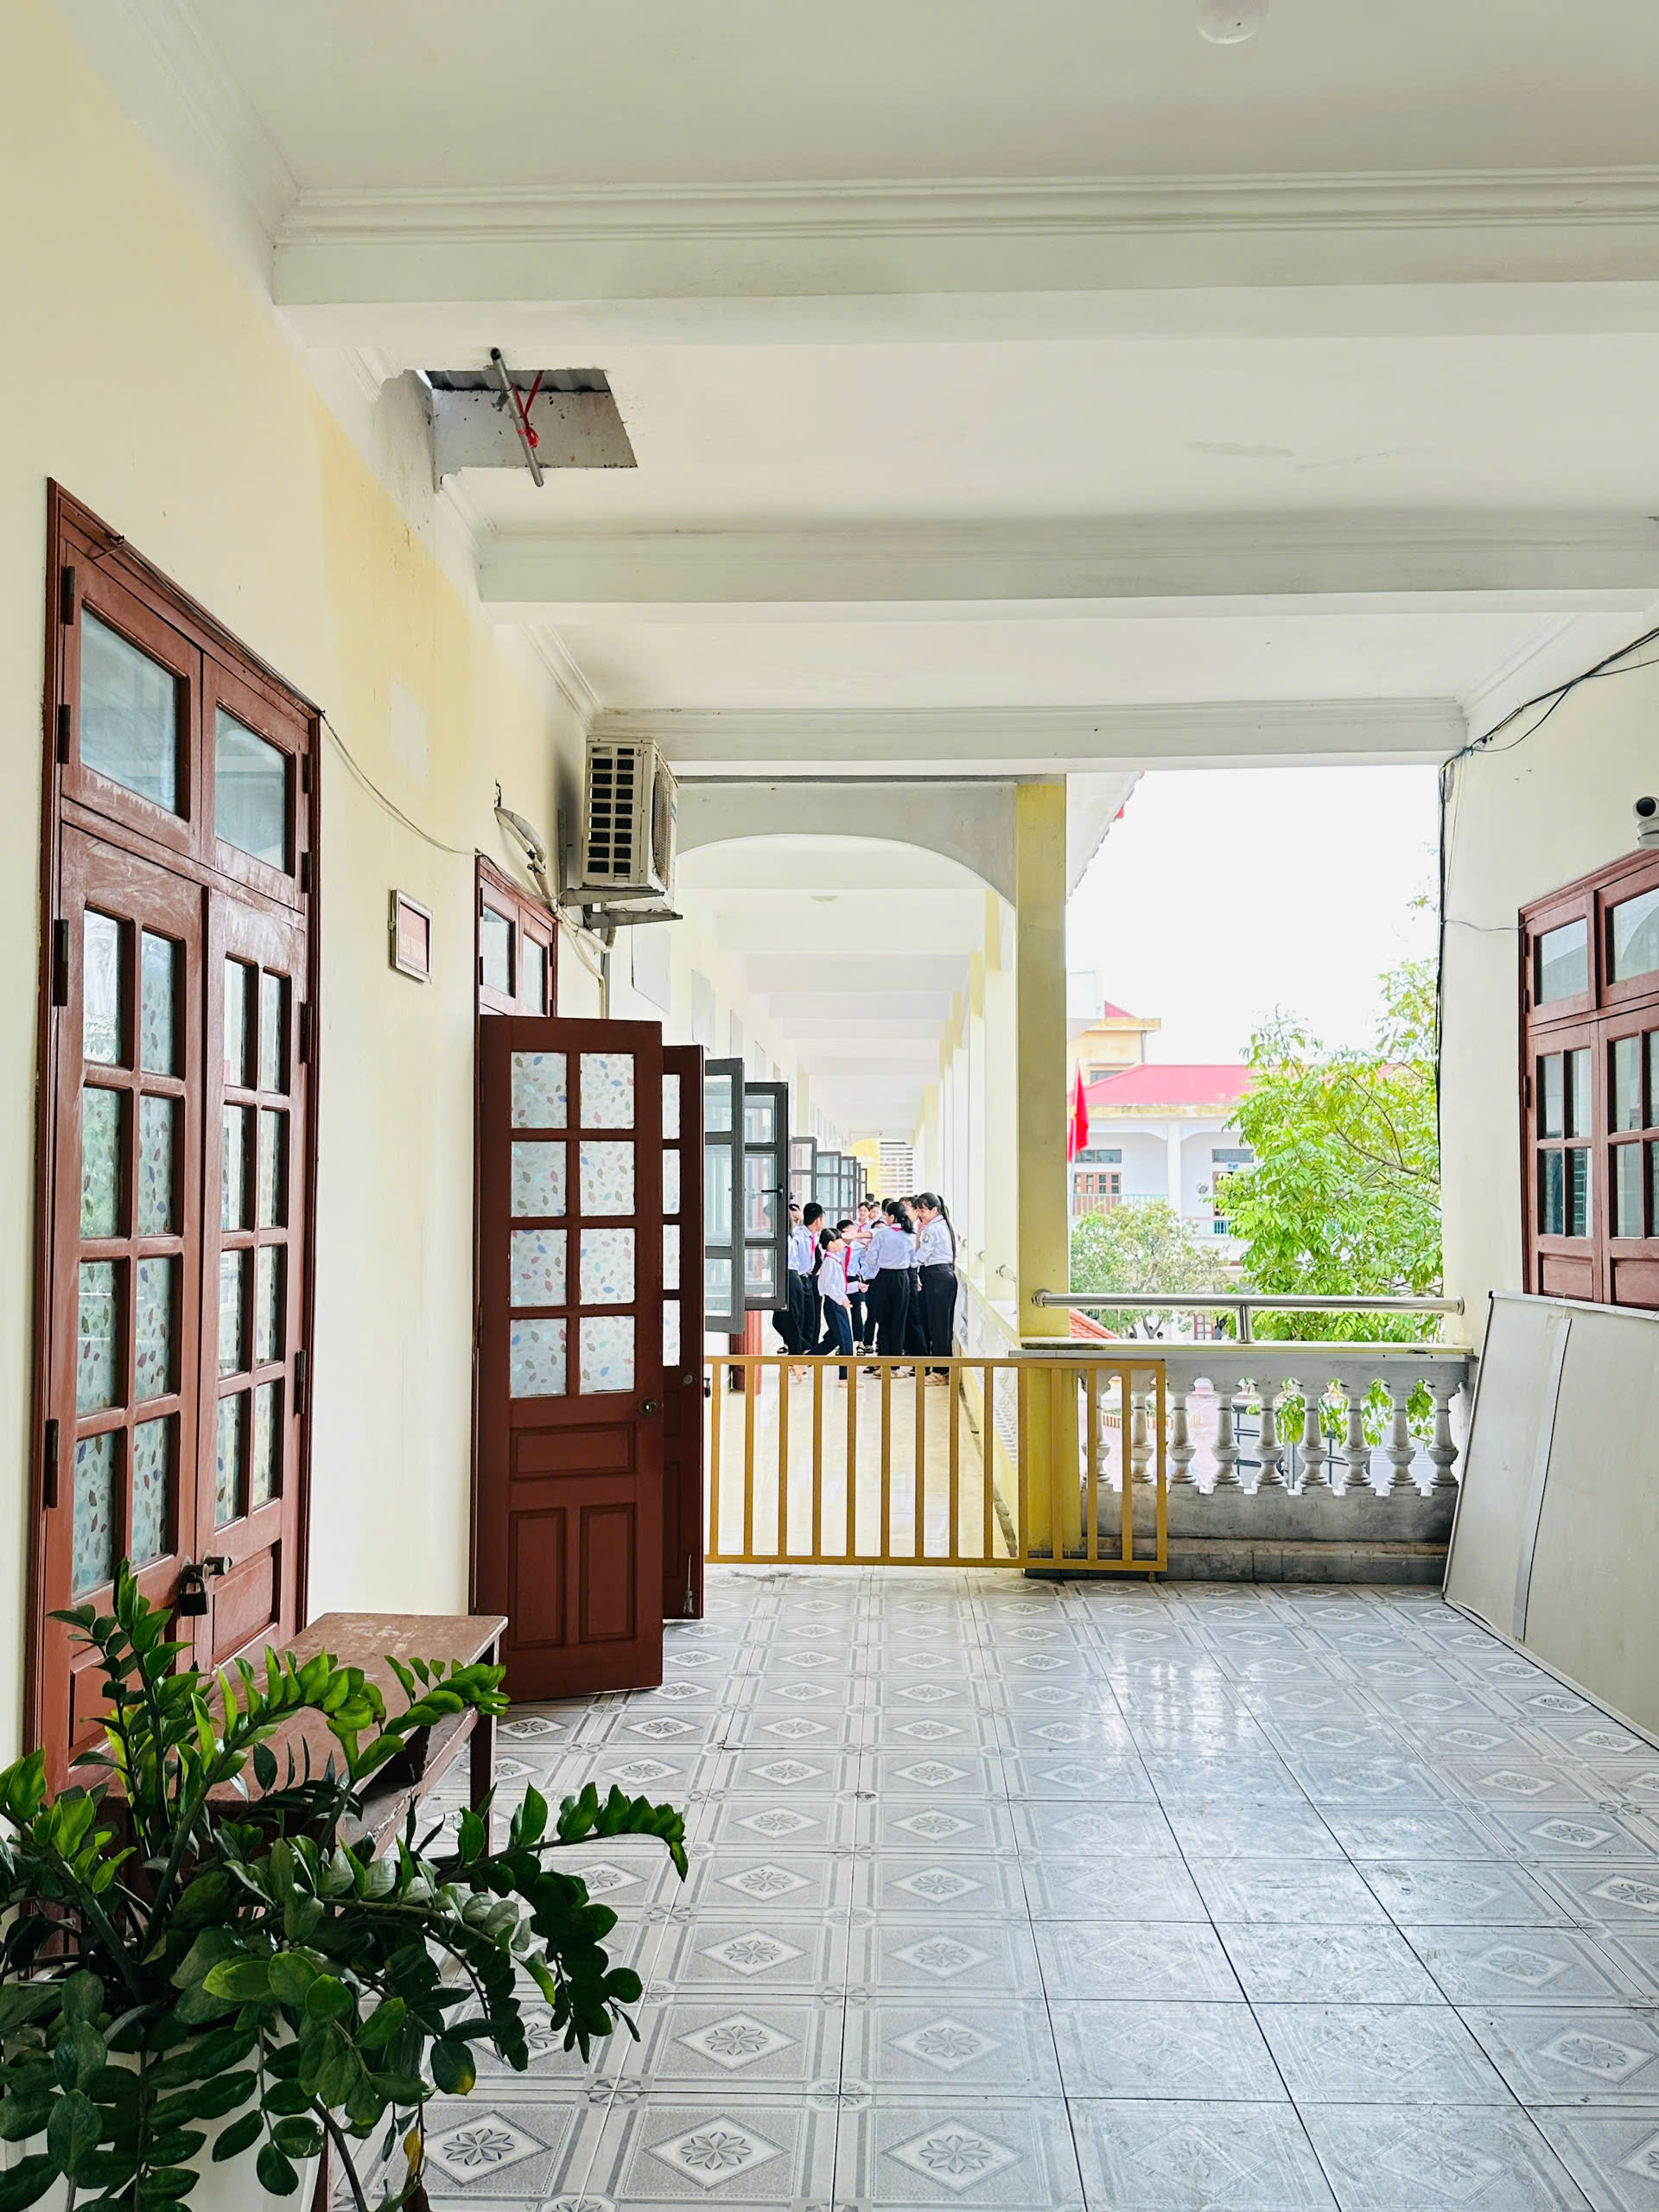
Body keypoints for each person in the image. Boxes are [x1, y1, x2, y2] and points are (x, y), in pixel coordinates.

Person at [857, 1198, 915, 1362]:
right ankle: (895, 1364)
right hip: (902, 1278)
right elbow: (914, 1261)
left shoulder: (882, 1234)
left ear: (891, 1217)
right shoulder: (910, 1235)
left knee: (883, 1319)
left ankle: (882, 1360)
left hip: (883, 1277)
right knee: (899, 1320)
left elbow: (871, 1260)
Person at [913, 1192, 958, 1378]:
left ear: (934, 1210)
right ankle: (941, 1369)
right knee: (940, 1325)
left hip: (937, 1278)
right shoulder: (943, 1225)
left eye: (922, 1210)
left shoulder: (932, 1230)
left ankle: (941, 1371)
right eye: (918, 1210)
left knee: (938, 1326)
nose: (919, 1214)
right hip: (942, 1277)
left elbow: (920, 1256)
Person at [817, 1224, 855, 1376]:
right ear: (831, 1244)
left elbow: (839, 1286)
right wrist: (842, 1299)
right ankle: (845, 1377)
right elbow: (829, 1286)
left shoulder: (833, 1261)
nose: (841, 1242)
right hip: (834, 1305)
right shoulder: (829, 1262)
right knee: (846, 1341)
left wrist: (856, 1286)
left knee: (833, 1340)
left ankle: (802, 1363)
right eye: (839, 1239)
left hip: (836, 1303)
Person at [782, 1198, 814, 1356]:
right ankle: (801, 1347)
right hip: (789, 1275)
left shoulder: (790, 1236)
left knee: (793, 1317)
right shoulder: (788, 1235)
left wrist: (796, 1216)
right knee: (783, 1319)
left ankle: (798, 1351)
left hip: (792, 1275)